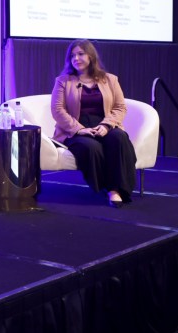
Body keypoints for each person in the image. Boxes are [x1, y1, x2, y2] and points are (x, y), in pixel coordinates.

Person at [50, 39, 137, 207]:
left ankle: (117, 189)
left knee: (118, 138)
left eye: (80, 54)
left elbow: (120, 107)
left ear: (91, 56)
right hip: (75, 130)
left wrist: (106, 125)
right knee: (92, 148)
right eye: (72, 55)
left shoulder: (110, 80)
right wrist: (79, 129)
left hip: (105, 125)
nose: (76, 58)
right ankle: (107, 188)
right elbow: (58, 110)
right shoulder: (63, 81)